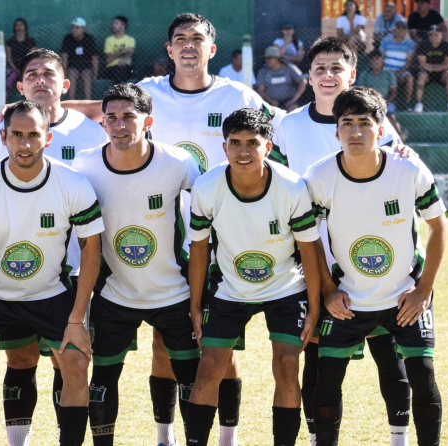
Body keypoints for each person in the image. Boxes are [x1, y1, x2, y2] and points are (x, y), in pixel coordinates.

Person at [61, 13, 285, 446]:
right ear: (168, 49)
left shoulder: (236, 93)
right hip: (153, 239)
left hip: (215, 241)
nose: (187, 46)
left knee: (218, 352)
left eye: (196, 39)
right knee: (164, 350)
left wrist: (391, 140)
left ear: (211, 49)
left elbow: (284, 126)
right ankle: (165, 436)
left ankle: (227, 437)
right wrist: (38, 110)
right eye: (179, 39)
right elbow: (100, 111)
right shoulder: (148, 93)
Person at [271, 36, 410, 446]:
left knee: (390, 354)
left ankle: (399, 435)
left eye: (337, 69)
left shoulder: (374, 125)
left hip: (374, 264)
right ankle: (318, 436)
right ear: (308, 77)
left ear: (352, 75)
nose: (328, 76)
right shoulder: (289, 126)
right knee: (317, 353)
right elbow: (279, 188)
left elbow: (400, 178)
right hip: (314, 264)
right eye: (320, 69)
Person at [0, 100, 104, 446]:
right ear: (3, 138)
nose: (25, 143)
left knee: (77, 363)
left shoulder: (72, 183)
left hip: (50, 292)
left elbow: (92, 250)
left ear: (48, 139)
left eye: (33, 135)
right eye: (16, 135)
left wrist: (77, 319)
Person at [306, 86, 447, 446]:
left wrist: (424, 290)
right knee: (326, 383)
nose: (355, 132)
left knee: (423, 374)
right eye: (347, 123)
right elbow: (309, 239)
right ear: (335, 130)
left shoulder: (407, 168)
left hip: (404, 299)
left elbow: (438, 225)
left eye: (365, 123)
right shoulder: (319, 177)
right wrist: (328, 289)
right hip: (348, 302)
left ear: (381, 129)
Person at [70, 82, 202, 446]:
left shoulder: (178, 162)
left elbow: (208, 215)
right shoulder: (84, 164)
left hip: (173, 291)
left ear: (148, 121)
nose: (119, 124)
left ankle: (169, 438)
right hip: (115, 294)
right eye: (111, 117)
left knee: (191, 378)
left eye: (129, 116)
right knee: (103, 379)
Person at [185, 108, 320, 445]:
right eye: (235, 143)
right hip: (231, 288)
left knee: (287, 363)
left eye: (252, 143)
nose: (243, 151)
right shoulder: (207, 186)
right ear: (224, 146)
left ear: (268, 146)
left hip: (286, 287)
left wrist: (315, 308)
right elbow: (199, 249)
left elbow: (309, 250)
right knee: (210, 365)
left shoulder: (291, 187)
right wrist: (195, 305)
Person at [358, 51, 406, 139]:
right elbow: (361, 91)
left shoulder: (389, 73)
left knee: (391, 116)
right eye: (372, 60)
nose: (375, 62)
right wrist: (370, 102)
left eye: (377, 59)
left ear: (382, 61)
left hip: (387, 101)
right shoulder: (364, 74)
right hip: (369, 102)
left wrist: (385, 102)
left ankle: (398, 137)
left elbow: (394, 92)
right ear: (370, 62)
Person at [413, 25, 448, 113]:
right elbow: (422, 64)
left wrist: (431, 67)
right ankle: (419, 103)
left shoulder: (446, 45)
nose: (433, 37)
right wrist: (439, 66)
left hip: (441, 73)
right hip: (427, 73)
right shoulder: (423, 44)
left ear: (441, 35)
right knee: (421, 75)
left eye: (436, 35)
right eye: (431, 35)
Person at [256, 46, 307, 112]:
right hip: (270, 103)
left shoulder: (289, 67)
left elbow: (303, 82)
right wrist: (271, 101)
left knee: (294, 110)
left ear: (277, 58)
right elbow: (260, 90)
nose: (267, 60)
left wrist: (293, 100)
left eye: (269, 58)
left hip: (289, 102)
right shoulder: (262, 71)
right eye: (265, 58)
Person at [61, 17, 99, 100]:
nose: (74, 30)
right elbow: (64, 57)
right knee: (72, 74)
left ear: (83, 29)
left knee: (87, 75)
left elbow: (94, 57)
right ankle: (72, 101)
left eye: (77, 28)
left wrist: (95, 73)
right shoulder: (68, 38)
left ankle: (88, 101)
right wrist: (64, 73)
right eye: (73, 28)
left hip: (86, 65)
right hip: (73, 65)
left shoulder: (89, 39)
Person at [379, 21, 416, 106]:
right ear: (394, 30)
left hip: (401, 72)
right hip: (386, 70)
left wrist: (400, 73)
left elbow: (409, 62)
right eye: (399, 28)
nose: (401, 31)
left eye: (404, 29)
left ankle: (407, 103)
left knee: (409, 78)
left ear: (406, 31)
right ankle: (382, 102)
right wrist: (387, 72)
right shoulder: (386, 40)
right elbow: (381, 57)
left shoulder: (410, 43)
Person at [5, 18, 37, 94]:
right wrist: (16, 70)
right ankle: (4, 97)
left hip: (27, 67)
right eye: (17, 25)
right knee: (11, 76)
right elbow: (9, 59)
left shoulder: (31, 42)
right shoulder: (10, 42)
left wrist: (24, 69)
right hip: (13, 67)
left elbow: (33, 57)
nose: (19, 27)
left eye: (21, 25)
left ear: (25, 27)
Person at [104, 16, 136, 84]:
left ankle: (118, 92)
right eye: (114, 24)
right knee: (119, 72)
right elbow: (108, 59)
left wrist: (124, 59)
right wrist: (123, 52)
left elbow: (130, 53)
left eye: (116, 23)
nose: (113, 26)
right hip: (111, 69)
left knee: (122, 70)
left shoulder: (130, 40)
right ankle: (121, 92)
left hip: (126, 68)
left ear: (123, 25)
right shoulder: (109, 40)